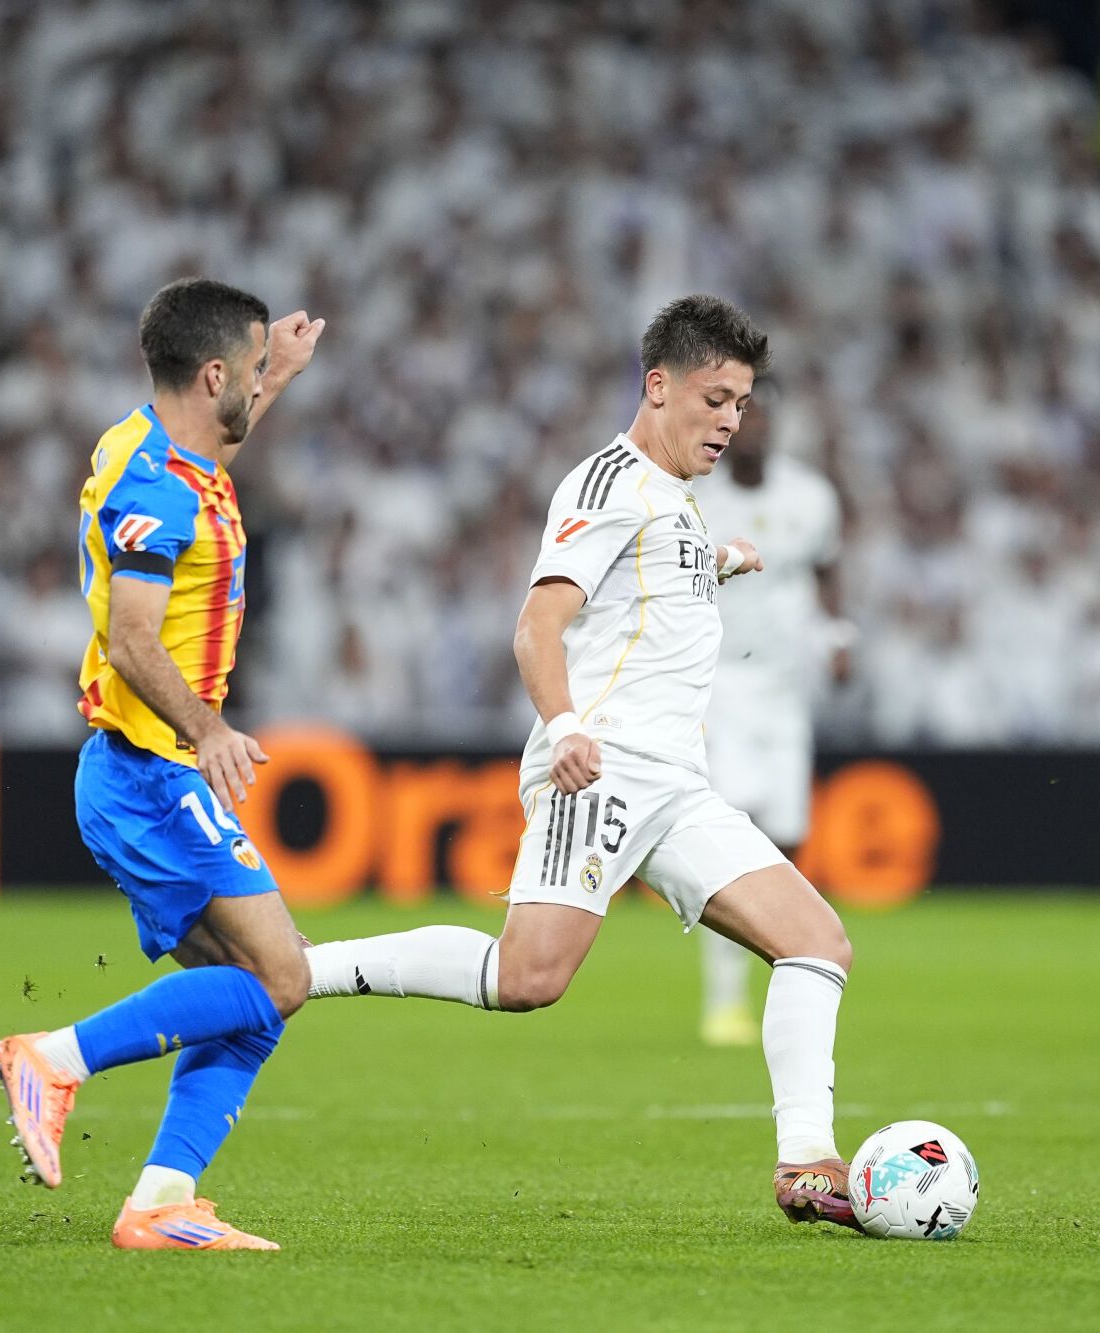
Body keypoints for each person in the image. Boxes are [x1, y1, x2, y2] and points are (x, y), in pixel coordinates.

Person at [302, 295, 864, 1230]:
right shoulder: (606, 484)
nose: (731, 420)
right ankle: (303, 968)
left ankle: (807, 1161)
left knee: (817, 942)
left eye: (743, 404)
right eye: (716, 398)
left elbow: (645, 585)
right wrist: (564, 727)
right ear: (659, 385)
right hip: (600, 769)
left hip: (678, 784)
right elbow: (538, 625)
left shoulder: (675, 501)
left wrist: (716, 559)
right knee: (527, 978)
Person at [0, 278, 325, 1250]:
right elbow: (135, 638)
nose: (259, 386)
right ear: (214, 372)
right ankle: (51, 1056)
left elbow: (222, 433)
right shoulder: (155, 488)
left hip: (142, 770)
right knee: (282, 976)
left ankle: (159, 1203)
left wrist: (284, 375)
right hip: (152, 770)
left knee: (248, 1000)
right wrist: (209, 730)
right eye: (254, 369)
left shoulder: (156, 441)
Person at [692, 378, 847, 1046]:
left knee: (784, 839)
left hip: (787, 693)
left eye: (757, 416)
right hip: (718, 686)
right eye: (736, 417)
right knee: (734, 833)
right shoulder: (698, 494)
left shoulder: (811, 498)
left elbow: (826, 570)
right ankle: (724, 997)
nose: (747, 428)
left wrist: (840, 638)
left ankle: (781, 972)